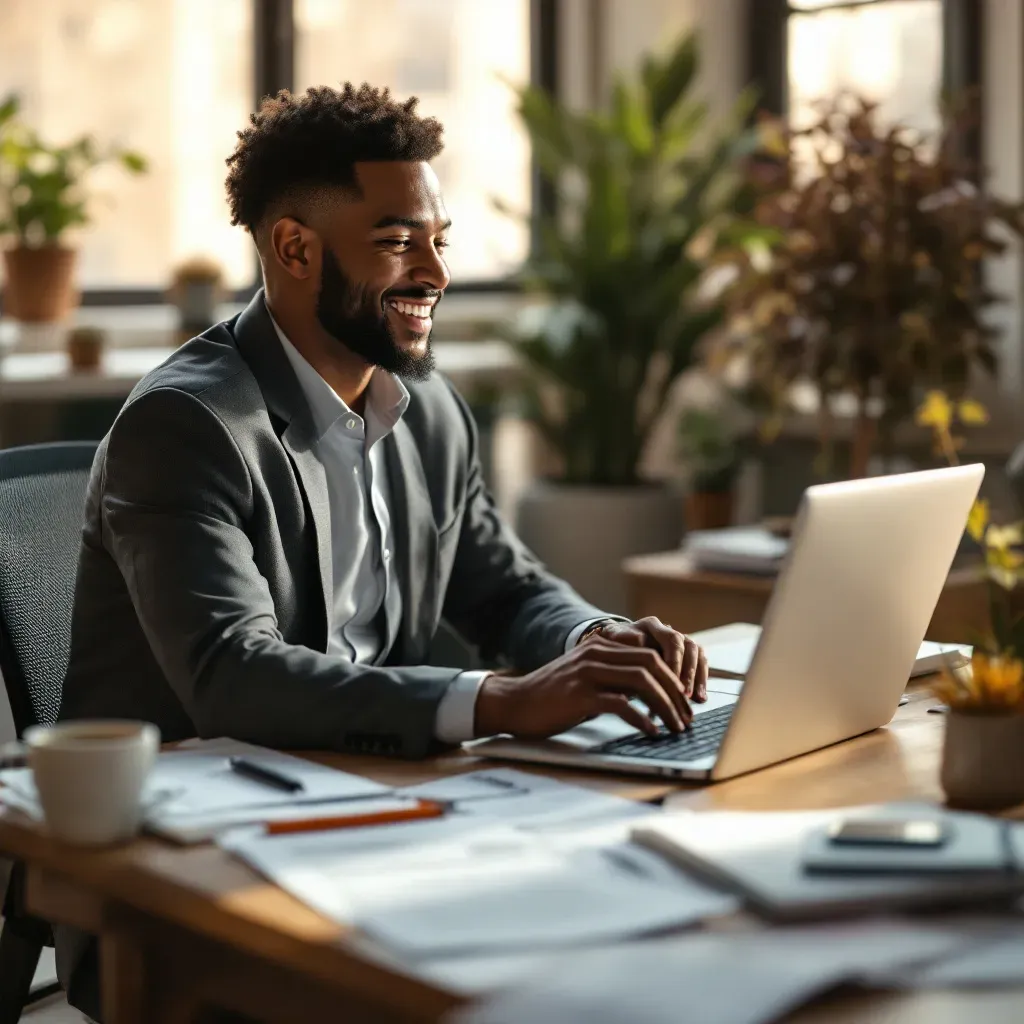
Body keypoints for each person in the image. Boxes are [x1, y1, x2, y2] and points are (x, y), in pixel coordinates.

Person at [55, 82, 708, 1018]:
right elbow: (233, 675)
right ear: (294, 248)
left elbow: (507, 591)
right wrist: (499, 701)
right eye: (400, 241)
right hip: (181, 866)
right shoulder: (188, 424)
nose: (435, 271)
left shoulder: (429, 411)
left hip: (375, 810)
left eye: (440, 240)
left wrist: (599, 644)